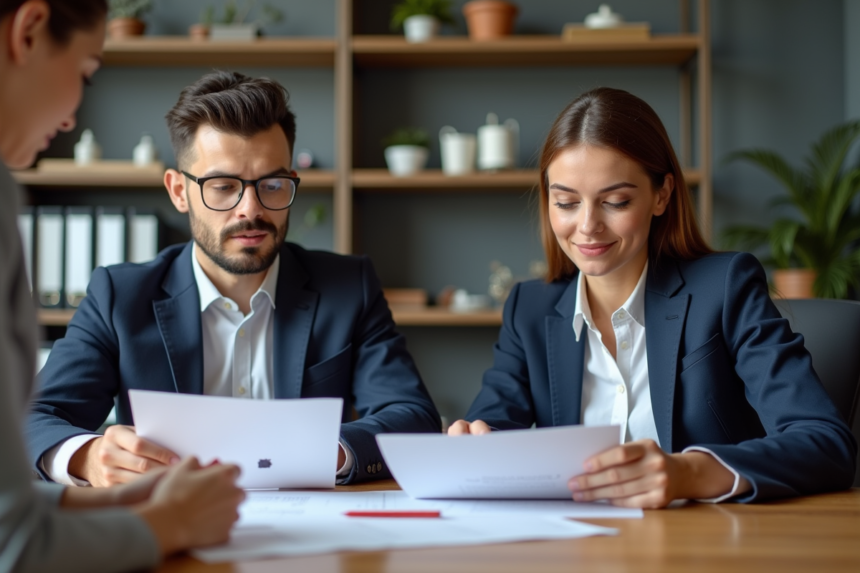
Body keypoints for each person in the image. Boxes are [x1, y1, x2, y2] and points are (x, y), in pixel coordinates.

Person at [25, 69, 441, 488]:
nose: (250, 209)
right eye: (223, 186)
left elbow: (413, 416)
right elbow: (33, 421)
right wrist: (87, 458)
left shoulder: (350, 287)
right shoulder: (119, 297)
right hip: (171, 531)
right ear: (178, 192)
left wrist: (324, 450)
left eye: (272, 184)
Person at [447, 87, 857, 507]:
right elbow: (489, 429)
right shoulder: (528, 309)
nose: (587, 226)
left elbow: (825, 442)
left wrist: (689, 472)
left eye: (615, 201)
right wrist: (474, 442)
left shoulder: (726, 287)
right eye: (566, 203)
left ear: (661, 195)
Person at [0, 1, 244, 571]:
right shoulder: (118, 291)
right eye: (86, 73)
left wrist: (101, 504)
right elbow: (16, 547)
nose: (69, 119)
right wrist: (167, 523)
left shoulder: (346, 282)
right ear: (30, 31)